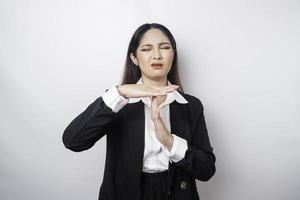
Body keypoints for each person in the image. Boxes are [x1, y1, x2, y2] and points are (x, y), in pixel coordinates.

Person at [62, 23, 216, 200]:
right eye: (146, 49)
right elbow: (72, 141)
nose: (157, 55)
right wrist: (120, 92)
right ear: (134, 58)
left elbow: (206, 170)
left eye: (164, 47)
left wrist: (169, 141)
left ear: (173, 54)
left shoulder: (191, 105)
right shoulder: (117, 102)